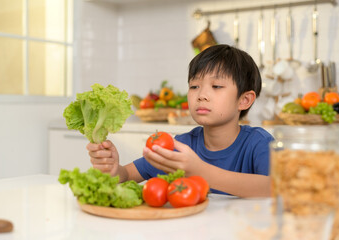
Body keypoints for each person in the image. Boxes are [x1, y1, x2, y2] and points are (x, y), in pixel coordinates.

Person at [87, 44, 274, 197]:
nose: (201, 95)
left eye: (216, 86)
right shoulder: (179, 146)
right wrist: (112, 169)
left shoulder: (260, 143)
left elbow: (275, 187)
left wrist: (200, 171)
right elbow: (126, 175)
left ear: (244, 100)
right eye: (194, 86)